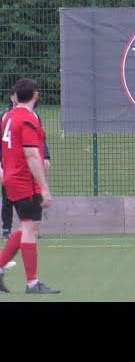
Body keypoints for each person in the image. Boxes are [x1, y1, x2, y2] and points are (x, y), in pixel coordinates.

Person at [0, 79, 60, 294]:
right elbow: (32, 154)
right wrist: (44, 187)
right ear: (35, 95)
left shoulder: (8, 116)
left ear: (16, 96)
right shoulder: (27, 118)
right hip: (24, 180)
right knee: (29, 229)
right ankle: (32, 283)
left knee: (28, 226)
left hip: (12, 178)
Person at [1, 87, 51, 239]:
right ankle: (6, 229)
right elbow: (28, 151)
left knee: (29, 225)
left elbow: (39, 139)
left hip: (22, 171)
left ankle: (30, 231)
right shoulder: (8, 116)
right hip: (17, 171)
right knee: (9, 202)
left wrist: (46, 156)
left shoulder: (32, 116)